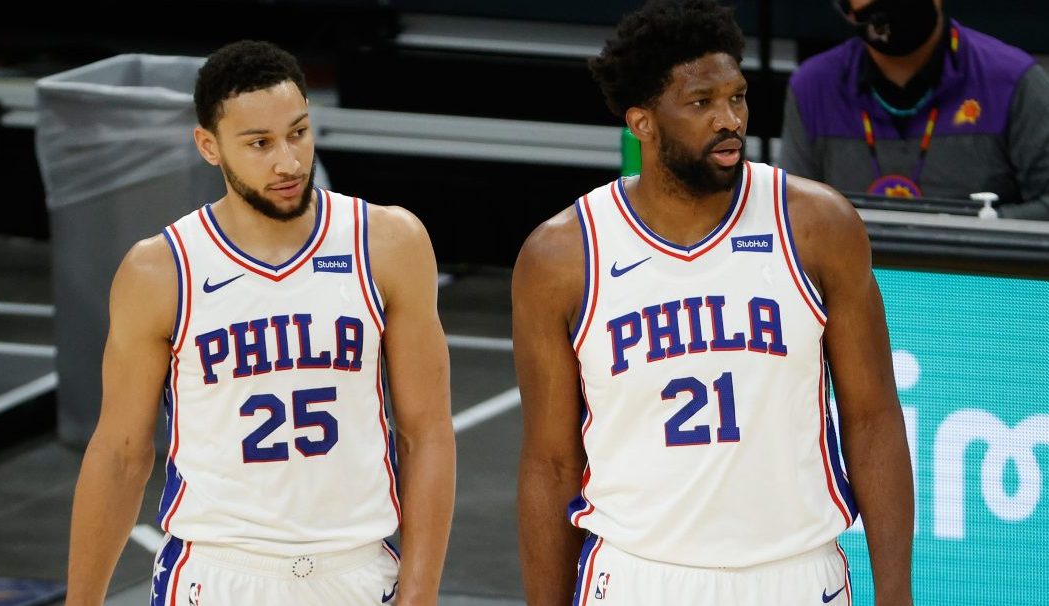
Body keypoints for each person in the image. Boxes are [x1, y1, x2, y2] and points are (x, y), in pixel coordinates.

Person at [513, 1, 914, 604]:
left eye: (737, 97)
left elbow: (873, 418)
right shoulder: (562, 255)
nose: (729, 119)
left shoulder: (817, 224)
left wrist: (896, 592)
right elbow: (550, 463)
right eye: (701, 102)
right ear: (643, 122)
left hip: (796, 572)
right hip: (638, 575)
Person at [65, 40, 455, 606]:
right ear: (209, 146)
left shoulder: (388, 242)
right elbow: (121, 455)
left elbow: (427, 432)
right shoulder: (160, 270)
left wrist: (421, 593)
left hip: (356, 569)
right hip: (217, 572)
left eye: (298, 133)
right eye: (259, 143)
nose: (288, 162)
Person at [781, 0, 1049, 219]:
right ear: (845, 8)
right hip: (852, 266)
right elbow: (791, 213)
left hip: (977, 267)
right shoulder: (812, 87)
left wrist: (975, 230)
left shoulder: (1014, 81)